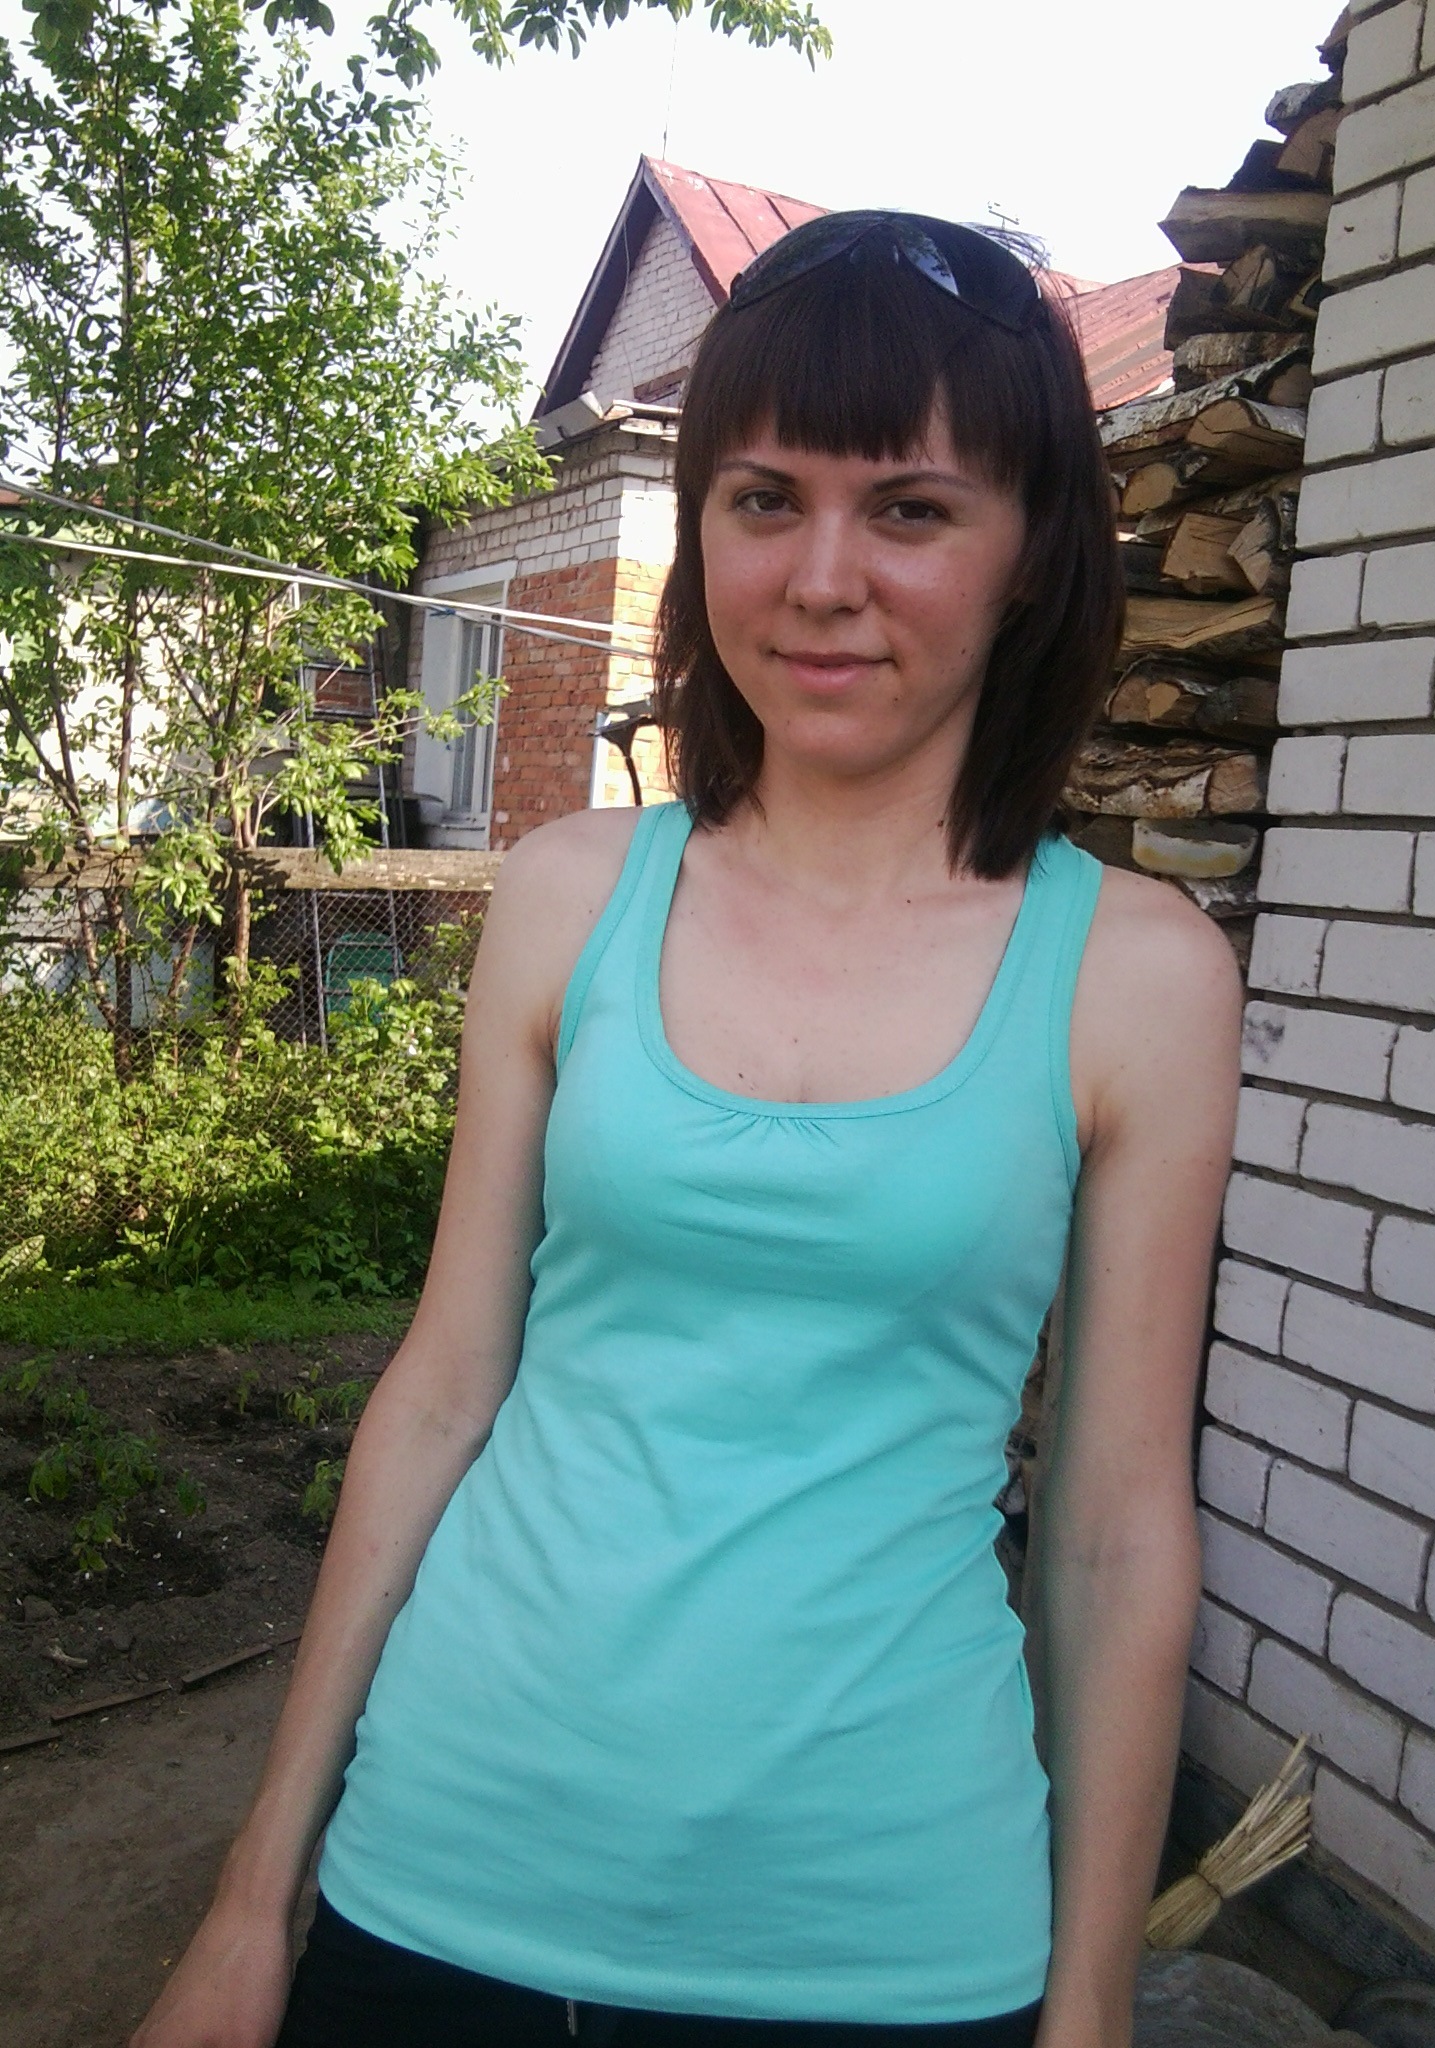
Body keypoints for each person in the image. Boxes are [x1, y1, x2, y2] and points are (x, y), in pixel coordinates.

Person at [133, 211, 1241, 2048]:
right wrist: (255, 1899)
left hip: (892, 1933)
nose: (822, 579)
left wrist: (1094, 2003)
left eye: (910, 509)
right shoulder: (569, 895)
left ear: (1033, 551)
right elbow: (443, 1389)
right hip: (442, 1878)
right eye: (762, 500)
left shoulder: (1138, 977)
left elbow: (1115, 1530)